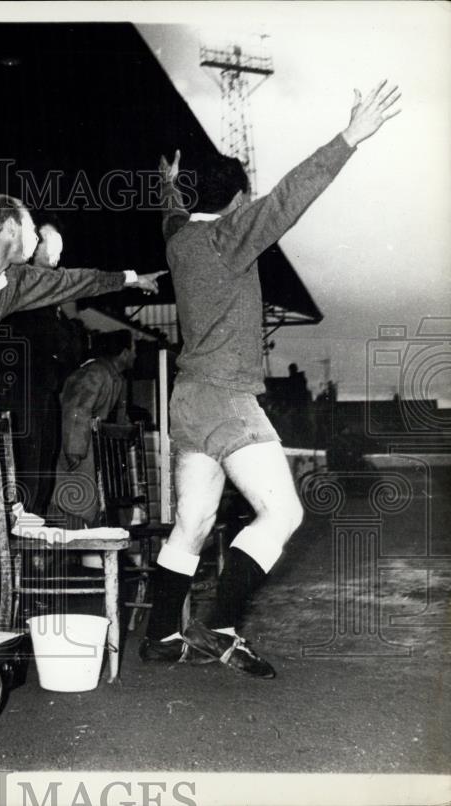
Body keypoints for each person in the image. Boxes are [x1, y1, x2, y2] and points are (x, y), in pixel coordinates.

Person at [142, 81, 401, 677]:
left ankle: (159, 636)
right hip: (230, 401)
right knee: (283, 513)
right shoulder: (230, 237)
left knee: (193, 521)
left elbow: (171, 214)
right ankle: (223, 625)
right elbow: (289, 198)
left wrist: (168, 185)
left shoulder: (180, 241)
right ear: (238, 201)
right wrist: (349, 138)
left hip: (187, 403)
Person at [0, 195, 165, 398]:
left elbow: (71, 281)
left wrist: (130, 279)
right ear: (10, 228)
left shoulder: (13, 280)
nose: (34, 238)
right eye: (30, 227)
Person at [0, 220, 86, 515]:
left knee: (42, 472)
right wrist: (68, 326)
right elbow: (59, 342)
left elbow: (74, 353)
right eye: (51, 244)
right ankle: (24, 550)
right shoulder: (25, 288)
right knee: (28, 476)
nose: (58, 253)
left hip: (44, 394)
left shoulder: (50, 296)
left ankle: (35, 547)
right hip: (22, 395)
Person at [49, 330, 136, 528]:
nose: (135, 355)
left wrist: (127, 433)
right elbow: (77, 408)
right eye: (134, 349)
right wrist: (74, 449)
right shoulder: (95, 373)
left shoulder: (116, 379)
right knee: (75, 503)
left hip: (97, 451)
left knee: (95, 504)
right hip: (81, 449)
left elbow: (120, 416)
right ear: (123, 353)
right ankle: (74, 554)